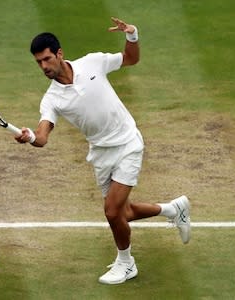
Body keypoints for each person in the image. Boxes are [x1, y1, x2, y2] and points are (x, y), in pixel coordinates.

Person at [15, 17, 191, 285]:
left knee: (111, 212)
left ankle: (126, 263)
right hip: (101, 153)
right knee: (122, 212)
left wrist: (132, 35)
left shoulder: (92, 62)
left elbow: (130, 59)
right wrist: (29, 137)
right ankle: (173, 209)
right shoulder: (52, 98)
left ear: (59, 54)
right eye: (38, 62)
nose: (44, 66)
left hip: (128, 143)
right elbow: (43, 137)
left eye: (47, 59)